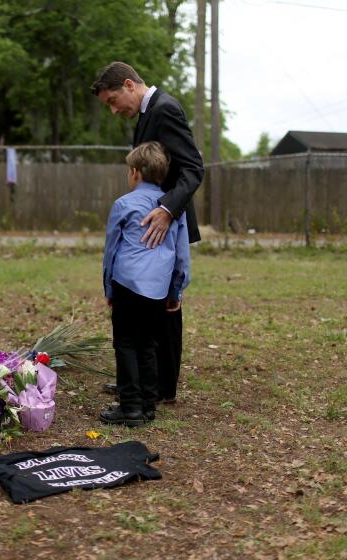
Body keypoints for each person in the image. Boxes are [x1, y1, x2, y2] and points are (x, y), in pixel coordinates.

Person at [91, 61, 204, 404]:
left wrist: (168, 210)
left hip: (166, 223)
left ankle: (161, 389)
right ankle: (140, 382)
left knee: (167, 308)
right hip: (151, 223)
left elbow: (193, 168)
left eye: (113, 100)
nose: (113, 110)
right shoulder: (146, 113)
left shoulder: (165, 109)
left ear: (129, 85)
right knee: (150, 309)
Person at [101, 142, 190, 427]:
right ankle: (148, 405)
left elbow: (111, 251)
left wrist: (109, 288)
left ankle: (130, 408)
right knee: (150, 344)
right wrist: (176, 290)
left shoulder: (123, 204)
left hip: (127, 283)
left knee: (126, 343)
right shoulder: (173, 207)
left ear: (135, 172)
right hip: (158, 287)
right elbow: (181, 254)